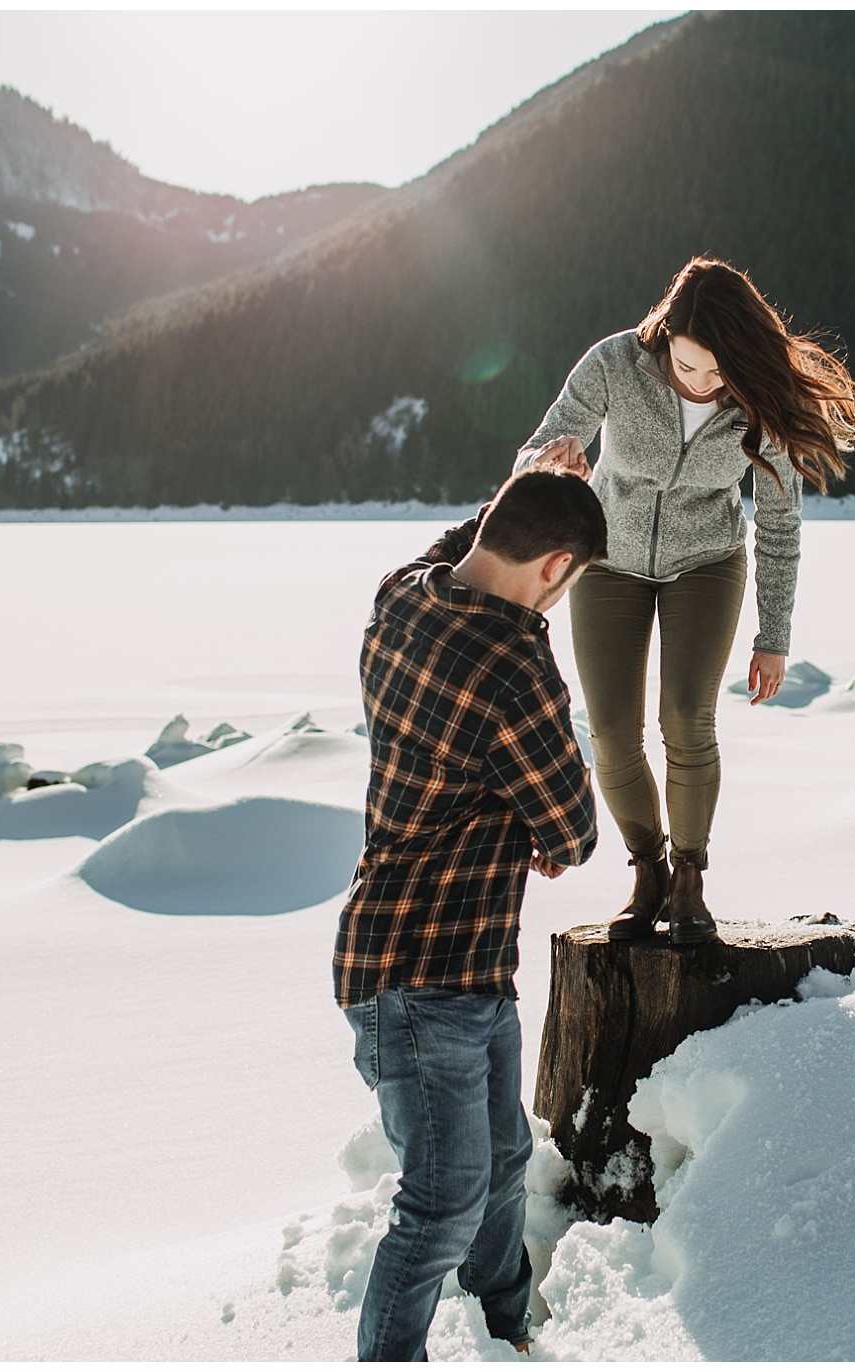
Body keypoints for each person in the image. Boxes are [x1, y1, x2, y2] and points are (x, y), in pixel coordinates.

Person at [515, 257, 855, 944]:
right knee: (610, 733)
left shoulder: (759, 398)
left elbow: (779, 523)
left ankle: (690, 878)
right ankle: (648, 870)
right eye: (687, 367)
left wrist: (773, 633)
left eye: (718, 374)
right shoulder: (615, 364)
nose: (700, 384)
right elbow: (540, 444)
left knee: (687, 718)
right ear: (664, 335)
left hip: (707, 563)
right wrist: (551, 461)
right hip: (609, 563)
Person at [334, 468, 607, 1362]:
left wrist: (514, 494)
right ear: (557, 566)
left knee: (498, 1168)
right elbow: (571, 824)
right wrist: (553, 832)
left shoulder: (401, 598)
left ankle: (507, 1334)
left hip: (432, 960)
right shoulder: (517, 666)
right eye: (566, 587)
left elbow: (455, 550)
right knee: (446, 1196)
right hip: (428, 980)